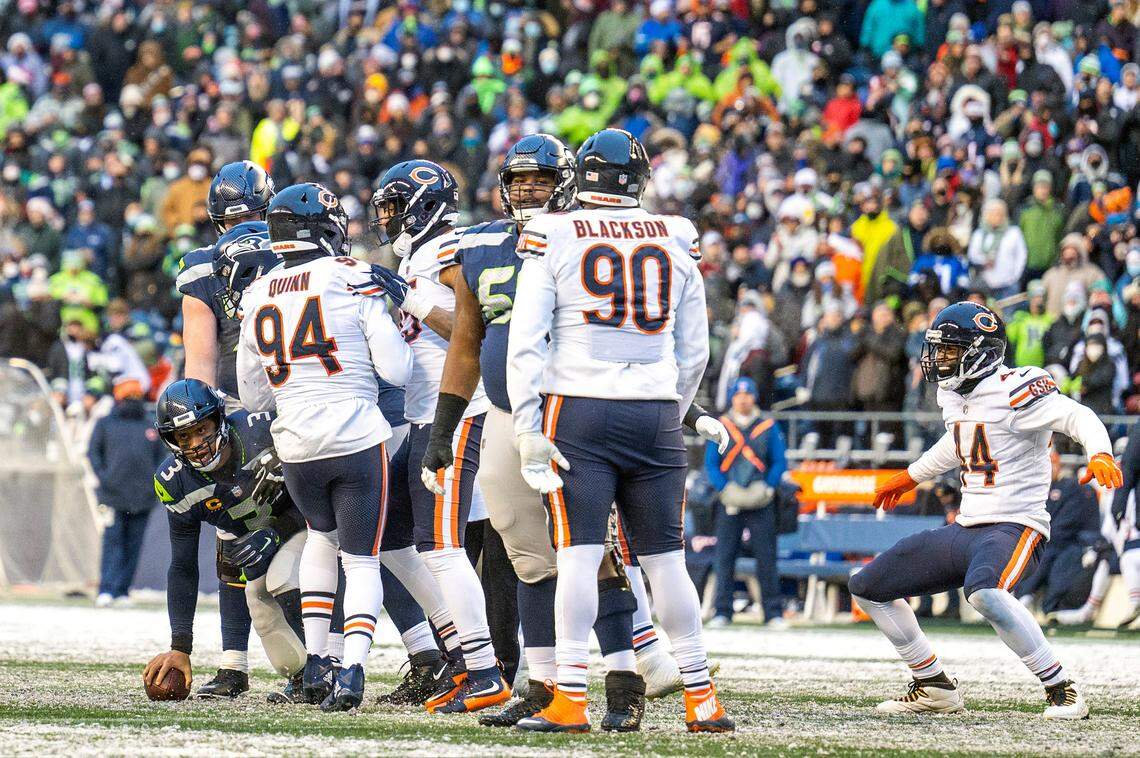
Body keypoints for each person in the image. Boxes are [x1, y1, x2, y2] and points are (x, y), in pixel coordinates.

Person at [410, 134, 722, 728]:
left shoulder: (556, 235)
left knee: (591, 556)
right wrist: (443, 431)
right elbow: (469, 342)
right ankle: (550, 683)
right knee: (533, 555)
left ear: (573, 182)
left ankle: (621, 677)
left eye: (542, 179)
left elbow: (540, 342)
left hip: (567, 413)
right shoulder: (482, 245)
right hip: (531, 412)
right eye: (519, 180)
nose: (529, 190)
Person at [506, 128, 733, 733]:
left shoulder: (553, 231)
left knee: (579, 557)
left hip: (578, 408)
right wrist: (671, 406)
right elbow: (696, 349)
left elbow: (526, 340)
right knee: (666, 561)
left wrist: (527, 424)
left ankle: (570, 698)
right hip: (654, 409)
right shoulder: (675, 233)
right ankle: (701, 698)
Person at [855, 301, 1121, 719]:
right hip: (967, 526)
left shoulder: (1016, 389)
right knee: (867, 586)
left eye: (949, 350)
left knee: (985, 592)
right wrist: (912, 475)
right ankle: (933, 685)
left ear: (980, 352)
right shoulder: (953, 394)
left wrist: (1100, 452)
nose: (938, 359)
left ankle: (1061, 689)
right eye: (936, 349)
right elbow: (962, 439)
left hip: (1016, 525)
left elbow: (1078, 416)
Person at [237, 183, 412, 711]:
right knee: (360, 560)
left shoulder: (257, 292)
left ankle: (317, 663)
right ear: (324, 229)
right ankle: (352, 669)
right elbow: (397, 370)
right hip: (353, 433)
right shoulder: (351, 276)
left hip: (295, 443)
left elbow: (252, 394)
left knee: (319, 538)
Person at [350, 160, 511, 716]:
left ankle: (485, 670)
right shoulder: (418, 256)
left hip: (459, 413)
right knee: (390, 530)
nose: (387, 219)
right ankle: (458, 651)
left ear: (424, 206)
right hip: (425, 415)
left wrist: (411, 298)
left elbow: (472, 330)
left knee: (442, 545)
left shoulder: (449, 250)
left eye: (395, 208)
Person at [142, 379, 309, 703]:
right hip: (253, 529)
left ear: (219, 419)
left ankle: (329, 664)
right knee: (250, 587)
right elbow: (183, 566)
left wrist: (277, 530)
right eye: (184, 436)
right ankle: (295, 674)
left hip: (311, 524)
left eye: (201, 429)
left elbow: (324, 496)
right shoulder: (175, 481)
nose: (196, 443)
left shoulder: (263, 430)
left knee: (282, 578)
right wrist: (180, 646)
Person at [178, 160, 275, 400]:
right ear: (219, 223)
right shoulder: (203, 270)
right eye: (233, 221)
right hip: (236, 400)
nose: (243, 228)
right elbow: (200, 369)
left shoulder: (293, 255)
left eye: (250, 216)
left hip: (297, 392)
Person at [705, 378, 787, 628]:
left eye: (747, 395)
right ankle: (722, 611)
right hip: (730, 499)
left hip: (760, 498)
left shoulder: (767, 425)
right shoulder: (721, 426)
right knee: (724, 557)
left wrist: (769, 486)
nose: (743, 399)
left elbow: (779, 461)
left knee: (767, 557)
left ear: (754, 398)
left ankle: (773, 613)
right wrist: (723, 488)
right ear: (732, 398)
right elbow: (711, 463)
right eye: (738, 395)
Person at [90, 380, 165, 607]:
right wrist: (106, 478)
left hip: (143, 497)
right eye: (128, 397)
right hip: (112, 496)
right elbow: (94, 453)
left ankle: (122, 590)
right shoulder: (105, 423)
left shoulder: (150, 425)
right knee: (112, 543)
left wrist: (152, 485)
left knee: (134, 545)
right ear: (118, 399)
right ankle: (106, 589)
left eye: (136, 396)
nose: (132, 401)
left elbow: (161, 458)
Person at [1017, 451, 1101, 614]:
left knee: (1047, 557)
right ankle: (1022, 596)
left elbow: (1067, 525)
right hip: (1049, 540)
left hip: (1071, 542)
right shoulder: (1039, 490)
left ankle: (1032, 599)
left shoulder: (1072, 487)